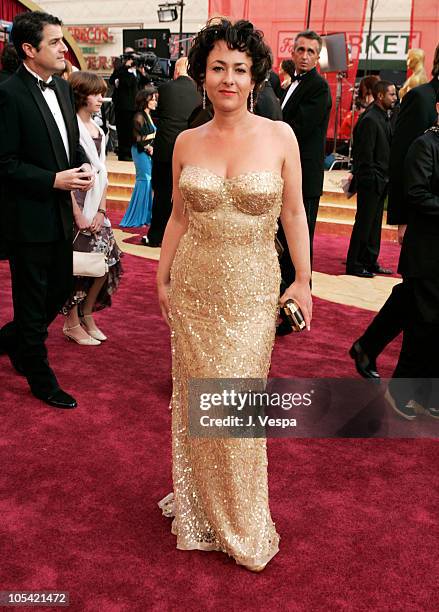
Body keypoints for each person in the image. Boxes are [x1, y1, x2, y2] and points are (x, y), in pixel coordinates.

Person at [156, 18, 312, 571]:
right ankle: (198, 497)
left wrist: (304, 280)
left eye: (239, 69)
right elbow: (178, 215)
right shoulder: (184, 141)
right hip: (195, 286)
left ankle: (242, 516)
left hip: (251, 290)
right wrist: (161, 274)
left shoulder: (279, 135)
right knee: (199, 395)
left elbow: (294, 212)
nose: (228, 78)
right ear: (203, 74)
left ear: (255, 78)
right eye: (217, 67)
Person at [0, 11, 94, 409]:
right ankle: (40, 377)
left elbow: (66, 142)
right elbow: (5, 163)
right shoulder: (8, 93)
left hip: (58, 214)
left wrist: (82, 165)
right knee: (32, 297)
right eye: (55, 42)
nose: (63, 49)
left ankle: (15, 340)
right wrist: (54, 180)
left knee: (59, 290)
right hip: (26, 217)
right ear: (28, 49)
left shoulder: (60, 88)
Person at [349, 44, 439, 378]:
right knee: (421, 303)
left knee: (411, 297)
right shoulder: (422, 97)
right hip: (423, 222)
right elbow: (403, 156)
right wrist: (401, 217)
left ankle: (367, 347)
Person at [385, 92, 439, 420]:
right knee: (423, 326)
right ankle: (400, 391)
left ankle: (430, 395)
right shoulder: (425, 145)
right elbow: (416, 194)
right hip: (426, 254)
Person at [62, 71, 122, 345]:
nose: (101, 98)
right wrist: (76, 213)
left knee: (106, 261)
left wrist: (101, 211)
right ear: (80, 95)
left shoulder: (100, 127)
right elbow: (67, 172)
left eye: (102, 92)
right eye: (95, 93)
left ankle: (87, 314)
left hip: (96, 204)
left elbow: (104, 172)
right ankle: (71, 321)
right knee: (75, 267)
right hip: (74, 203)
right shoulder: (68, 126)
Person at [277, 29, 331, 335]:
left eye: (312, 51)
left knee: (299, 246)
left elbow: (295, 130)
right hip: (291, 177)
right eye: (301, 50)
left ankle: (295, 312)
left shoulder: (318, 88)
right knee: (286, 243)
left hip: (305, 180)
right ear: (294, 52)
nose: (306, 55)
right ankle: (286, 306)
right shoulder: (294, 84)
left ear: (317, 55)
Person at [144, 57, 201, 247]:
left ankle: (156, 236)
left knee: (161, 194)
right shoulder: (199, 92)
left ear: (176, 70)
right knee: (188, 197)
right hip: (190, 150)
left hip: (165, 150)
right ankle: (184, 238)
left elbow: (157, 115)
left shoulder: (165, 89)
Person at [345, 80, 397, 278]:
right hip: (371, 180)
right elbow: (364, 156)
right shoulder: (370, 119)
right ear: (380, 96)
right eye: (391, 94)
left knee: (374, 225)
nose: (395, 98)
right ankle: (355, 264)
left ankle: (369, 261)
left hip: (381, 179)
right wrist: (372, 179)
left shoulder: (382, 116)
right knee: (364, 224)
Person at [119, 87, 157, 227]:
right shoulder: (138, 116)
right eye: (152, 99)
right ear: (145, 100)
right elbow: (136, 138)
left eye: (155, 99)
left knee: (149, 182)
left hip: (148, 152)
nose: (155, 102)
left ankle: (146, 216)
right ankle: (137, 217)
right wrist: (150, 143)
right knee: (144, 180)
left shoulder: (149, 116)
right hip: (140, 152)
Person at [109, 48, 147, 161]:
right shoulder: (122, 70)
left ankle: (131, 152)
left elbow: (145, 81)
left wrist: (142, 71)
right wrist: (126, 67)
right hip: (123, 106)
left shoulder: (137, 72)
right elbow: (114, 79)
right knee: (123, 130)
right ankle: (123, 153)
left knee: (133, 130)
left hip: (135, 106)